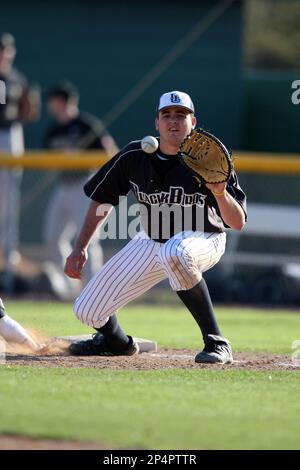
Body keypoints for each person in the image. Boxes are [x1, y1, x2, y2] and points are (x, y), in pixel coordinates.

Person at [64, 90, 247, 364]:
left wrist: (220, 193)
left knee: (175, 252)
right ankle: (117, 343)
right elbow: (101, 200)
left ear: (193, 123)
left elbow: (238, 222)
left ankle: (217, 342)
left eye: (181, 116)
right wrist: (80, 248)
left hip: (205, 238)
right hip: (152, 240)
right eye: (167, 115)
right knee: (86, 310)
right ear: (157, 123)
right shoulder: (134, 156)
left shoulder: (208, 156)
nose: (174, 121)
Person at [43, 81, 118, 297]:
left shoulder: (86, 125)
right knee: (52, 237)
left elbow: (109, 150)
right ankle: (70, 288)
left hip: (84, 184)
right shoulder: (54, 130)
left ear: (60, 101)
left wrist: (81, 157)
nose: (50, 105)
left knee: (88, 239)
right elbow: (47, 158)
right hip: (62, 185)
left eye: (53, 100)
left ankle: (93, 289)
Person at [0, 33, 40, 290]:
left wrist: (29, 104)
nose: (4, 54)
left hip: (9, 134)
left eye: (7, 51)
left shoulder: (15, 78)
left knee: (8, 205)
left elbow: (28, 113)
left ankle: (7, 268)